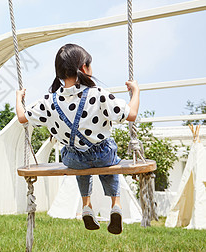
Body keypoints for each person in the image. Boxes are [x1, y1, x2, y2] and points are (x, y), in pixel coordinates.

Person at [15, 43, 140, 235]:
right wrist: (136, 91)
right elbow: (130, 114)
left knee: (82, 168)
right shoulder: (98, 94)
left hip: (73, 159)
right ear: (84, 68)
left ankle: (86, 206)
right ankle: (116, 205)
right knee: (110, 164)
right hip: (103, 155)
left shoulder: (50, 100)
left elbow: (22, 117)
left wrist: (19, 97)